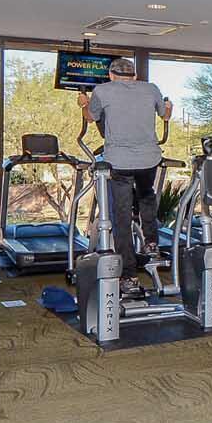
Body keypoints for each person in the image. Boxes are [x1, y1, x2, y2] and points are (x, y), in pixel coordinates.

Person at [79, 58, 172, 288]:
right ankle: (151, 242)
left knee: (122, 217)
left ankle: (128, 275)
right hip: (149, 159)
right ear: (134, 75)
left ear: (111, 75)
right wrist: (168, 107)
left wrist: (83, 103)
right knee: (146, 194)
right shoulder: (151, 88)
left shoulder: (101, 90)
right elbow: (166, 115)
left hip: (118, 161)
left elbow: (91, 117)